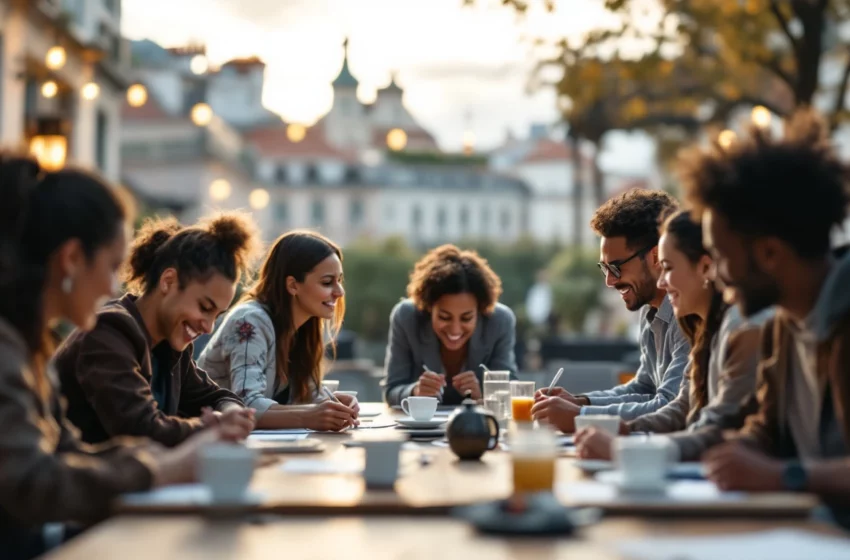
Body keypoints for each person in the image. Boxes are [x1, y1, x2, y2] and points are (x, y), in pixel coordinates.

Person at [0, 155, 240, 560]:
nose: (115, 283)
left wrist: (171, 453)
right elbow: (31, 483)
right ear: (72, 259)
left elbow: (68, 451)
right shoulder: (11, 346)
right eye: (112, 266)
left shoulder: (29, 344)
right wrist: (164, 467)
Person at [680, 110, 850, 511]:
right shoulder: (782, 326)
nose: (716, 277)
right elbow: (766, 432)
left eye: (721, 258)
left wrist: (783, 476)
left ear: (770, 253)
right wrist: (731, 453)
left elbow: (780, 467)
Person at [54, 213, 260, 447]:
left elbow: (217, 396)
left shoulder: (170, 346)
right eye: (204, 307)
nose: (208, 326)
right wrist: (214, 427)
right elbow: (140, 429)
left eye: (217, 315)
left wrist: (231, 413)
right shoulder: (108, 331)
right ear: (168, 281)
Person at [575, 210, 767, 461]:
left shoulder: (741, 328)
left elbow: (718, 427)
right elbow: (681, 407)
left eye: (667, 268)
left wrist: (623, 447)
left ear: (706, 267)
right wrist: (627, 429)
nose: (662, 283)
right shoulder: (702, 327)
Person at [532, 189, 690, 431]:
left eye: (616, 268)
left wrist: (580, 415)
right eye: (604, 269)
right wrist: (581, 402)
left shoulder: (687, 313)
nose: (609, 281)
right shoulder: (651, 311)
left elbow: (668, 405)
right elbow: (644, 389)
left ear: (656, 257)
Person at [198, 231, 359, 431]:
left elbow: (302, 398)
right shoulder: (249, 321)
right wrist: (310, 416)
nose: (339, 292)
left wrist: (329, 403)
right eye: (327, 282)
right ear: (292, 285)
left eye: (339, 281)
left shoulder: (303, 326)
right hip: (205, 440)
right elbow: (246, 404)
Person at [384, 245, 517, 407]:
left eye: (466, 318)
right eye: (444, 317)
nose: (455, 329)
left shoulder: (500, 321)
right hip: (420, 430)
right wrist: (415, 391)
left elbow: (511, 390)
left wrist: (482, 394)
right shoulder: (406, 317)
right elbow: (391, 390)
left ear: (480, 311)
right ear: (428, 307)